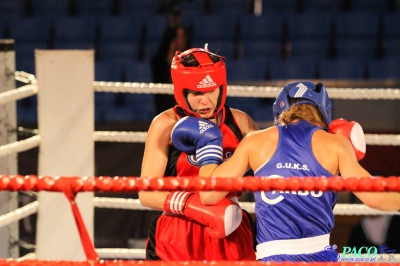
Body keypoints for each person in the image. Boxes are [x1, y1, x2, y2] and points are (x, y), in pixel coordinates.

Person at [171, 81, 400, 262]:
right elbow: (375, 198)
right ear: (324, 112)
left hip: (271, 256)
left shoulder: (255, 141)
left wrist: (207, 147)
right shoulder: (336, 143)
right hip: (320, 255)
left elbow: (209, 194)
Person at [139, 47, 259, 261]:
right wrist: (188, 204)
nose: (205, 101)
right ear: (181, 91)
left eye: (211, 91)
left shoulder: (240, 123)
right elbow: (146, 194)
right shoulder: (165, 124)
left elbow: (270, 168)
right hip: (178, 231)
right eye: (196, 93)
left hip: (229, 229)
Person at [150, 6, 191, 114]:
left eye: (182, 37)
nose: (179, 41)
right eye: (177, 37)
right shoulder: (159, 63)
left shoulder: (191, 61)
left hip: (186, 110)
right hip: (165, 108)